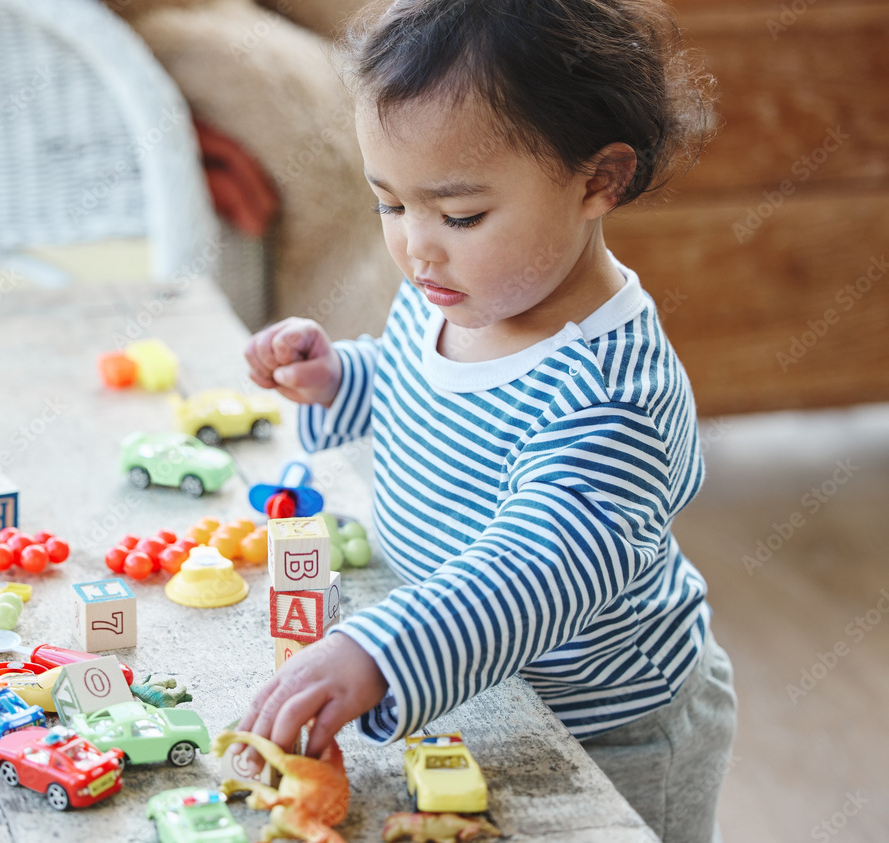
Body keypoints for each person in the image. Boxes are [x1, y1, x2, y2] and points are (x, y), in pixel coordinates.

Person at [241, 1, 737, 840]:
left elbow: (538, 568)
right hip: (482, 687)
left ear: (597, 181)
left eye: (459, 215)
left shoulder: (613, 394)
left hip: (611, 732)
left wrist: (380, 651)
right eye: (388, 205)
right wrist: (340, 377)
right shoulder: (455, 291)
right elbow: (419, 391)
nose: (416, 248)